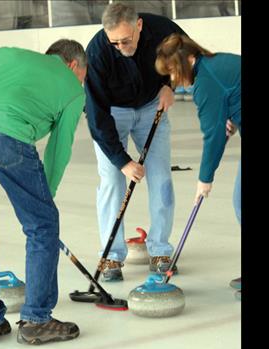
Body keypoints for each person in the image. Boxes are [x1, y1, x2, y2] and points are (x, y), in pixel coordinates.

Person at [0, 39, 88, 344]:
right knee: (42, 225)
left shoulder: (9, 53)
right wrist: (43, 201)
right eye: (83, 75)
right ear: (74, 65)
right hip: (5, 133)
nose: (81, 82)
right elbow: (58, 152)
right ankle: (36, 319)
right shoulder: (73, 89)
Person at [84, 2, 187, 282]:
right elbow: (96, 117)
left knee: (160, 177)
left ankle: (161, 250)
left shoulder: (163, 30)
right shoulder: (97, 51)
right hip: (112, 114)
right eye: (114, 42)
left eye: (125, 40)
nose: (120, 46)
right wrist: (122, 161)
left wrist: (171, 85)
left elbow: (187, 56)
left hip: (152, 105)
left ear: (139, 25)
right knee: (111, 181)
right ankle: (111, 255)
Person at [155, 33, 241, 300]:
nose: (172, 79)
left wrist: (205, 178)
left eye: (172, 71)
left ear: (187, 59)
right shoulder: (216, 62)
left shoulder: (205, 83)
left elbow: (213, 135)